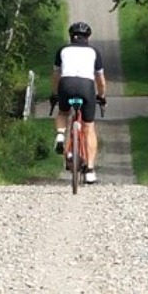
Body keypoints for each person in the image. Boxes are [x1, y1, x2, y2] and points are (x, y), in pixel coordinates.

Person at [51, 21, 107, 184]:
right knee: (88, 127)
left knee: (63, 112)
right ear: (87, 37)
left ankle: (61, 135)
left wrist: (55, 93)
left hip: (66, 83)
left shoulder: (62, 50)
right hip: (86, 86)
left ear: (71, 36)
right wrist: (102, 96)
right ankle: (89, 171)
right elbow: (101, 80)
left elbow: (55, 75)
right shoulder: (94, 52)